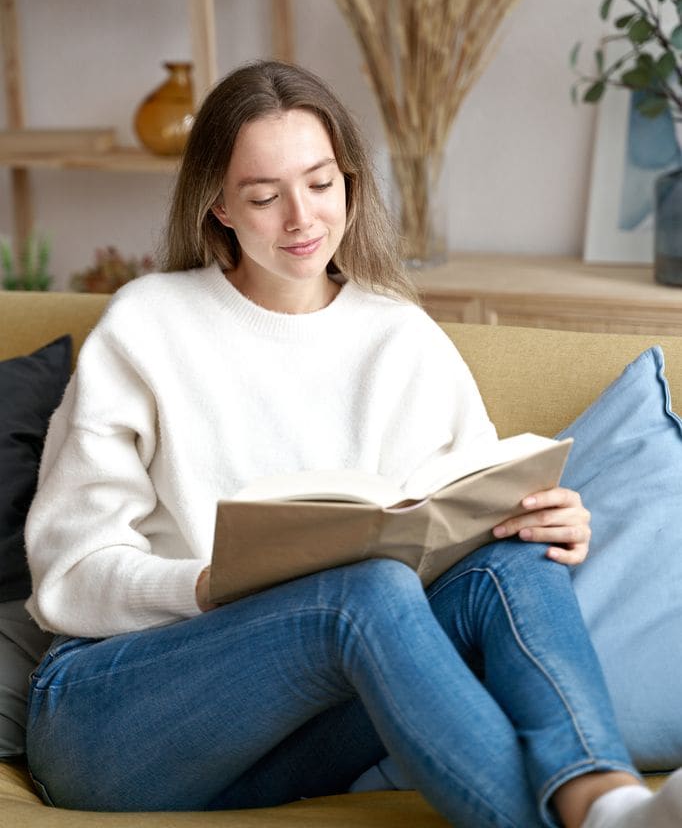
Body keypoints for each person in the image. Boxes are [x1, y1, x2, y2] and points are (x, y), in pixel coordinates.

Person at [24, 59, 682, 828]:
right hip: (111, 717)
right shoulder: (148, 326)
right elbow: (66, 577)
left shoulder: (400, 336)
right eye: (265, 197)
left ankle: (604, 798)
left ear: (350, 183)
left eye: (320, 184)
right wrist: (209, 585)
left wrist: (540, 518)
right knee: (359, 593)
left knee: (510, 558)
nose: (301, 219)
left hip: (287, 739)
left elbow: (470, 518)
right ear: (220, 207)